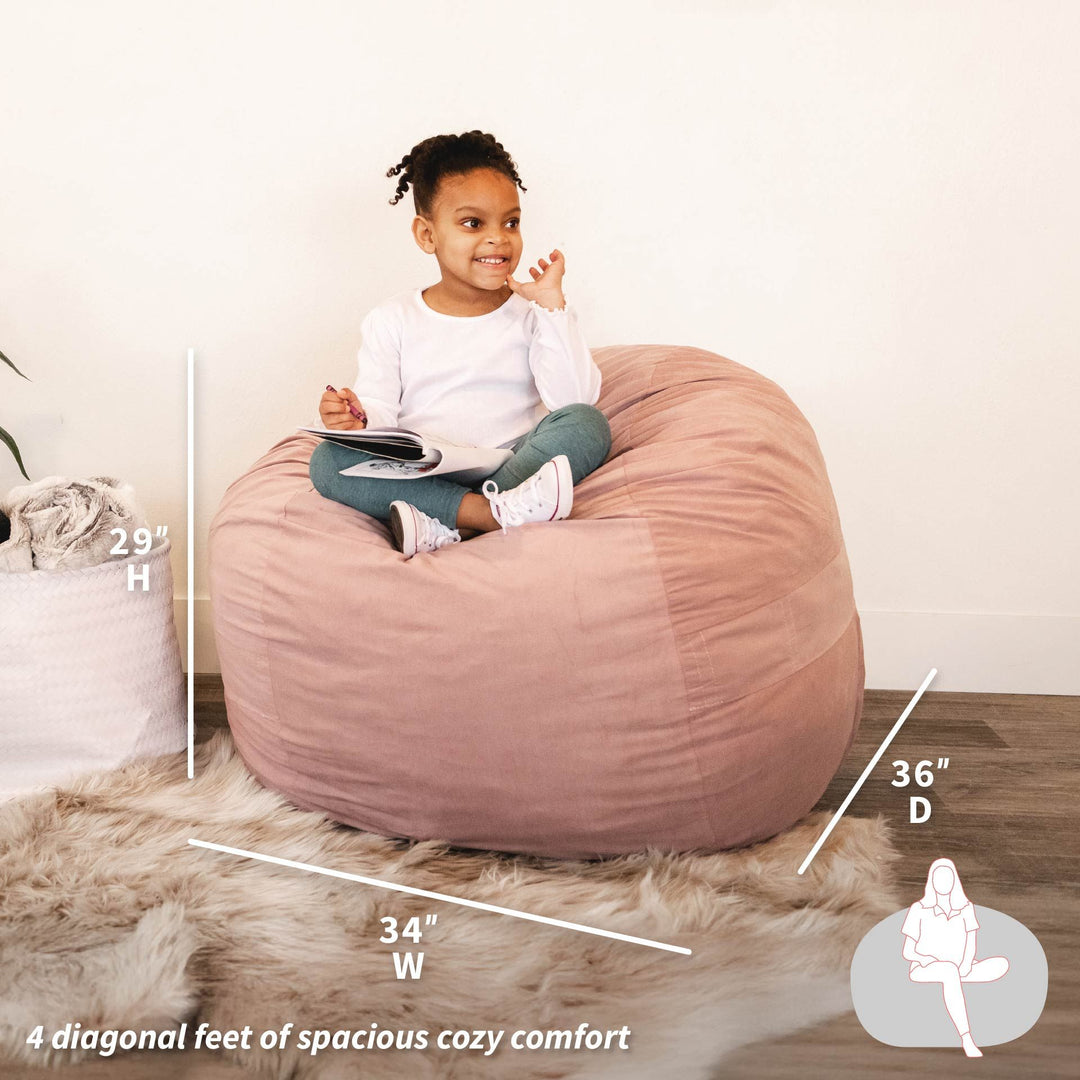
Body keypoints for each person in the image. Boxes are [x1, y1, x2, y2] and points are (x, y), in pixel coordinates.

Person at [309, 130, 611, 558]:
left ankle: (453, 524)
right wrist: (357, 419)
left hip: (512, 464)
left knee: (587, 424)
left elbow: (573, 400)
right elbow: (379, 407)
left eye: (511, 222)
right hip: (425, 471)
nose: (498, 238)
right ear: (427, 235)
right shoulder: (392, 319)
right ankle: (490, 516)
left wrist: (551, 307)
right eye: (473, 223)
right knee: (326, 462)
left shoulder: (533, 312)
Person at [901, 857, 1009, 1057]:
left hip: (959, 966)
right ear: (932, 881)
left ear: (954, 881)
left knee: (1001, 964)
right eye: (939, 879)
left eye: (948, 878)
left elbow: (971, 940)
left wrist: (967, 963)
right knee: (948, 971)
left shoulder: (966, 909)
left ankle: (956, 980)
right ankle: (966, 1037)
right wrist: (926, 959)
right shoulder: (920, 909)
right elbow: (907, 951)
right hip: (926, 967)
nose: (944, 883)